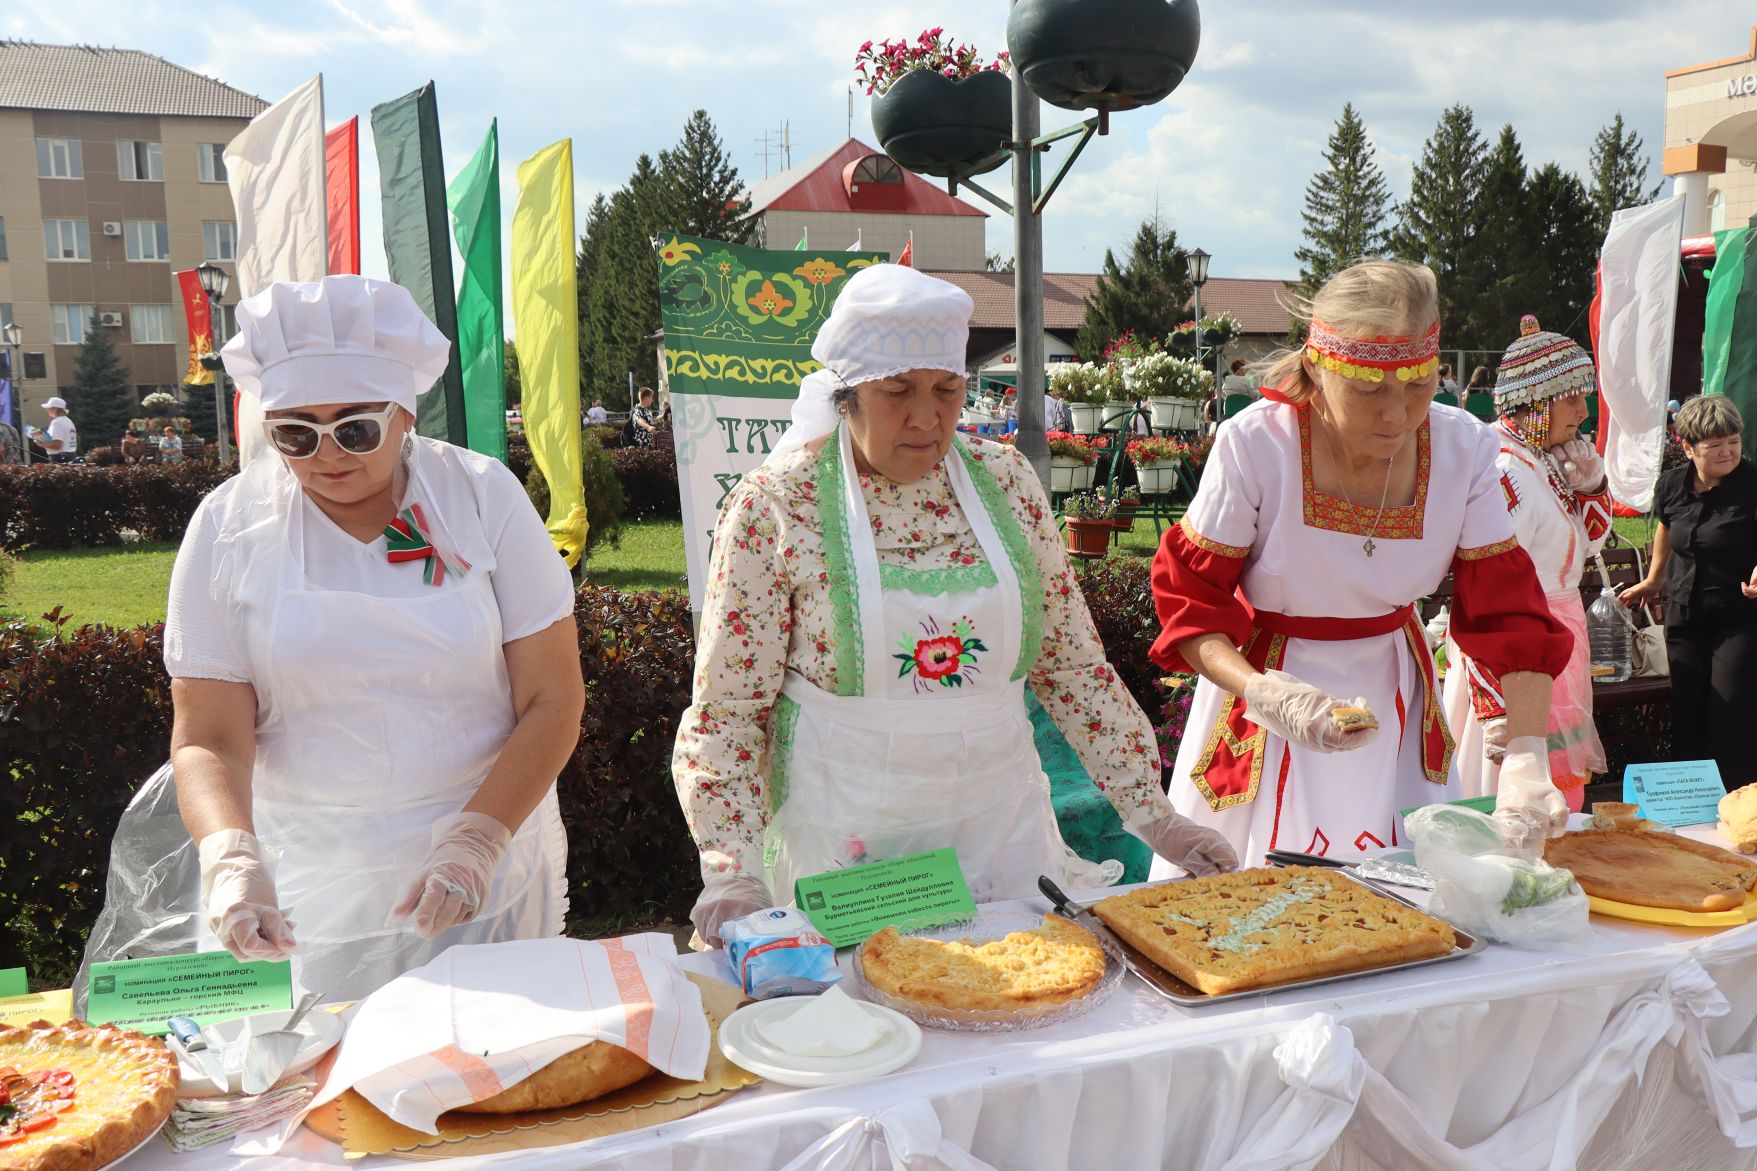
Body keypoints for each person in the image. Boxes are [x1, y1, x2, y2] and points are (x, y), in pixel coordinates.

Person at [674, 264, 1237, 943]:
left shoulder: (1006, 481)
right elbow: (729, 712)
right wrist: (731, 869)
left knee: (1016, 994)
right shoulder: (774, 506)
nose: (926, 418)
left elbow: (1073, 667)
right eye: (897, 392)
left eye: (946, 391)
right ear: (845, 397)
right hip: (848, 842)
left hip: (997, 828)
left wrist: (1155, 814)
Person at [111, 276, 583, 1000]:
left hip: (485, 857)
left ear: (404, 414)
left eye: (354, 429)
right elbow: (208, 736)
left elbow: (552, 698)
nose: (325, 455)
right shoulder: (230, 526)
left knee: (486, 1075)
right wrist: (232, 858)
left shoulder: (481, 498)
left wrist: (476, 841)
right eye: (294, 434)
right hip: (302, 878)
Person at [1149, 261, 1572, 868]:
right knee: (1240, 913)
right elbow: (1190, 599)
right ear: (1318, 370)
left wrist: (1529, 751)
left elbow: (1511, 613)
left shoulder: (1465, 449)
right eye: (1370, 390)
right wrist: (1260, 691)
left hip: (1393, 689)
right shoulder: (1256, 444)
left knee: (1405, 902)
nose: (1397, 415)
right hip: (1271, 691)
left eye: (1420, 384)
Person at [1443, 317, 1608, 811]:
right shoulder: (1505, 469)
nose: (1583, 409)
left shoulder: (1542, 457)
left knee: (1556, 772)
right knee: (1515, 774)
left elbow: (1591, 544)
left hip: (1556, 634)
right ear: (1535, 401)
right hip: (1517, 646)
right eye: (1572, 397)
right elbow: (1486, 591)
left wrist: (1591, 486)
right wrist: (1496, 701)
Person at [1619, 395, 1757, 791]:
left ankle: (1743, 801)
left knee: (1735, 713)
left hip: (1749, 617)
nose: (1728, 451)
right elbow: (1667, 529)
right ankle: (1692, 807)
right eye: (1714, 445)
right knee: (1689, 713)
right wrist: (1654, 580)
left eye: (1734, 441)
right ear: (1687, 447)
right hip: (1688, 614)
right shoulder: (1672, 484)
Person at [32, 397, 77, 462]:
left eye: (49, 408)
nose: (47, 410)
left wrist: (41, 444)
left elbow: (57, 445)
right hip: (71, 456)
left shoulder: (56, 422)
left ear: (55, 409)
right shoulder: (68, 421)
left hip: (60, 458)